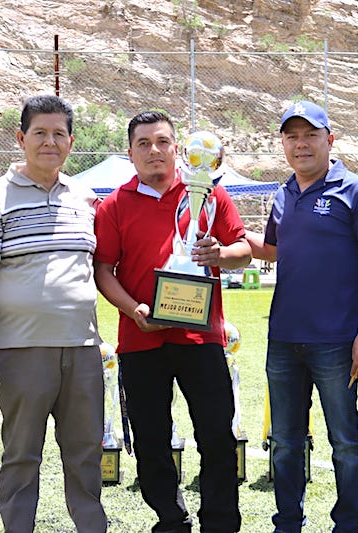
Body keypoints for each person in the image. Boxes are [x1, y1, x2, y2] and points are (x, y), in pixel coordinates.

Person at [94, 110, 250, 533]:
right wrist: (133, 310)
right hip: (141, 340)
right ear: (130, 153)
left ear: (176, 148)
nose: (154, 151)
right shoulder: (113, 205)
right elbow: (104, 269)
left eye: (162, 141)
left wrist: (220, 254)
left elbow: (243, 250)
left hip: (201, 339)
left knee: (217, 435)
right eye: (143, 143)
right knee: (150, 441)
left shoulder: (210, 194)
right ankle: (171, 519)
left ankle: (219, 522)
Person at [245, 100, 358, 533]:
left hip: (337, 340)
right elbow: (274, 250)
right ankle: (287, 523)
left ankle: (349, 526)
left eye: (310, 135)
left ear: (331, 139)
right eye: (291, 136)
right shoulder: (283, 193)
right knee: (286, 442)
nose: (300, 144)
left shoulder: (357, 191)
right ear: (283, 144)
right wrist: (226, 237)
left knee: (345, 442)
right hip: (284, 339)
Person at [0, 95, 106, 532]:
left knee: (85, 454)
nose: (50, 142)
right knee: (22, 455)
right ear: (21, 138)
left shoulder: (84, 197)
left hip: (82, 349)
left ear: (71, 141)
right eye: (40, 133)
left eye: (59, 134)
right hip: (19, 349)